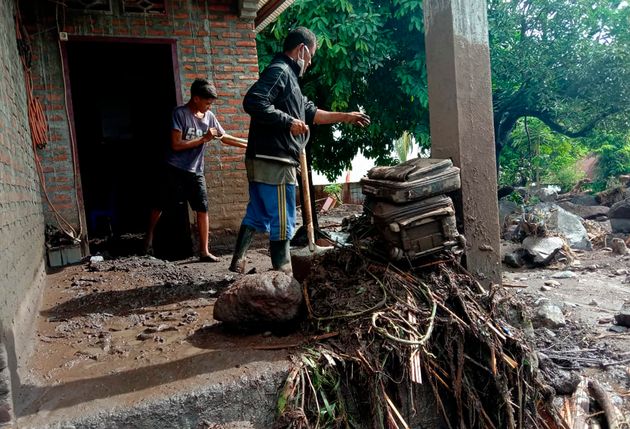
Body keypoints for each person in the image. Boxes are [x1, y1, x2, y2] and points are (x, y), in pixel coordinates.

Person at [229, 27, 370, 274]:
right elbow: (253, 101)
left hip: (262, 158)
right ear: (301, 49)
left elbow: (311, 113)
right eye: (311, 55)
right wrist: (287, 122)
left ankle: (237, 261)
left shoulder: (291, 82)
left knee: (258, 212)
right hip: (276, 159)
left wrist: (345, 117)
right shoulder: (280, 72)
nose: (311, 62)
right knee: (283, 219)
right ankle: (282, 271)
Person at [145, 78, 246, 262]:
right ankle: (148, 241)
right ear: (196, 98)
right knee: (159, 205)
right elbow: (176, 145)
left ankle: (204, 251)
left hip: (196, 170)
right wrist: (203, 139)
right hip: (174, 168)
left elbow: (224, 137)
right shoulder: (180, 114)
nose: (209, 107)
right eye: (207, 103)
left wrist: (248, 144)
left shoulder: (209, 117)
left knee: (202, 208)